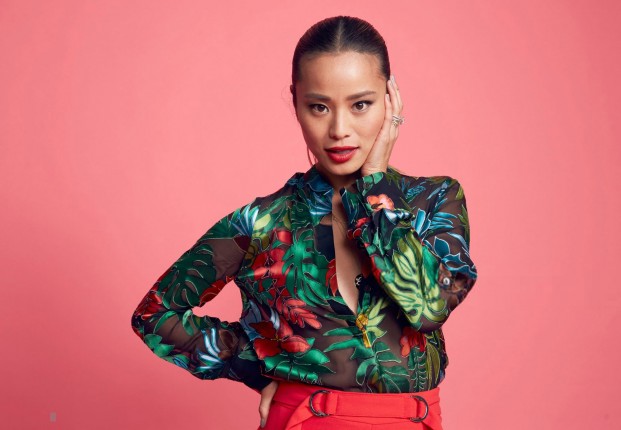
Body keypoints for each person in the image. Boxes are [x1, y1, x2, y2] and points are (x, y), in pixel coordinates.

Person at [131, 15, 477, 430]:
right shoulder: (261, 223)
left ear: (391, 100)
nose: (339, 130)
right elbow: (155, 315)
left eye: (361, 104)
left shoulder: (435, 200)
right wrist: (261, 367)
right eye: (319, 107)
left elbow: (429, 308)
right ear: (295, 103)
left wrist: (375, 185)